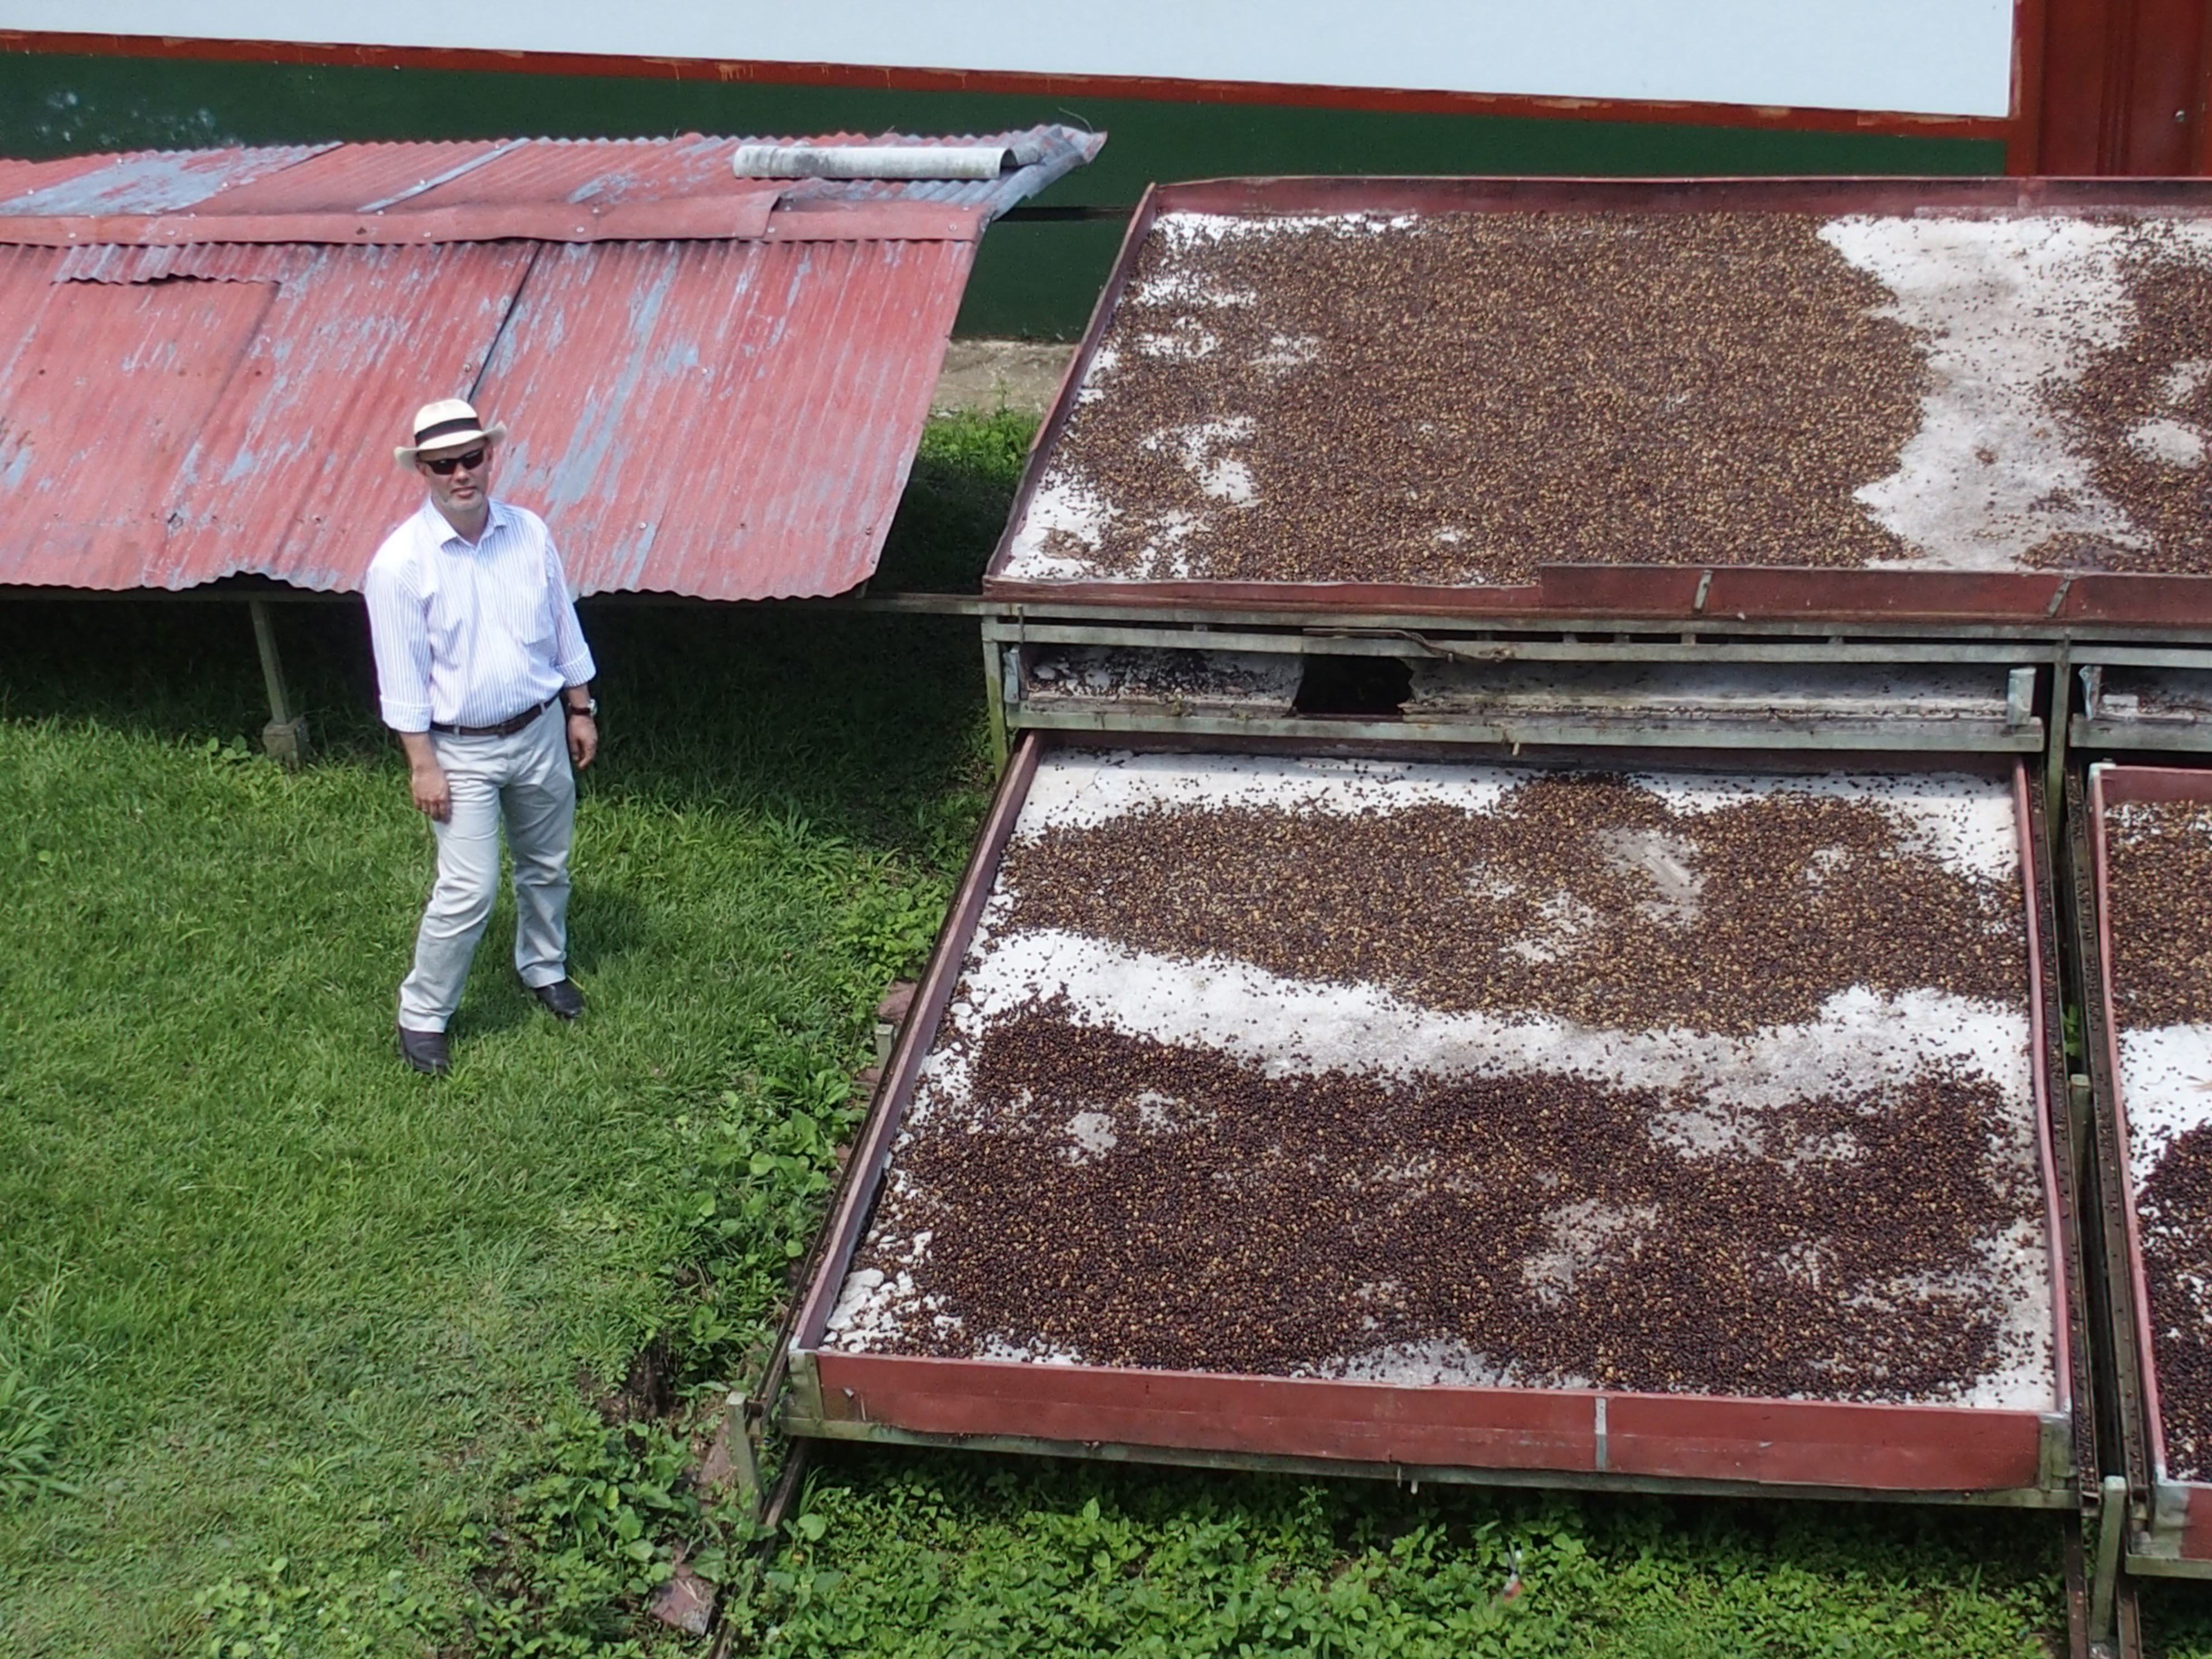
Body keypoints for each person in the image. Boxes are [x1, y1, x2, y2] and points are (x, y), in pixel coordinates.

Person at [365, 399, 600, 1075]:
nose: (461, 474)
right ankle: (423, 1014)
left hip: (540, 729)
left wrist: (579, 709)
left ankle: (544, 968)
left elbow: (563, 626)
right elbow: (402, 679)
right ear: (424, 473)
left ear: (489, 458)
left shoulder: (530, 533)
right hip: (458, 749)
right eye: (445, 464)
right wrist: (422, 764)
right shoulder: (400, 566)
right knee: (469, 889)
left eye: (472, 458)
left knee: (547, 864)